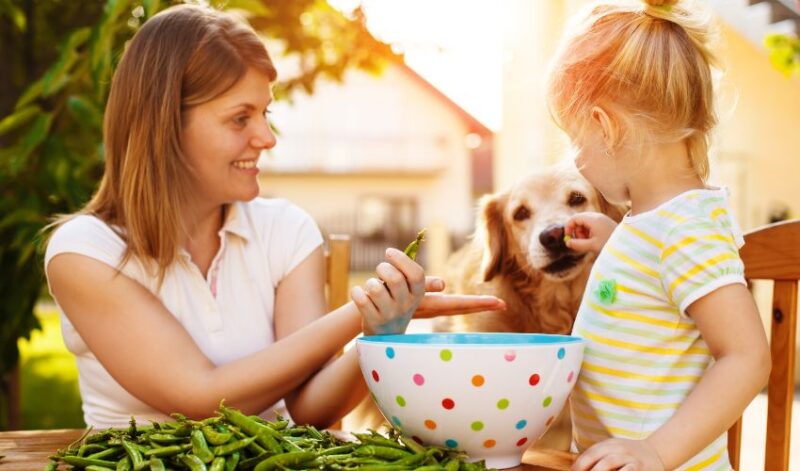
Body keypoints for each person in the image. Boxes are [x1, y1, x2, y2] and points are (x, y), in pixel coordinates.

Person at [44, 4, 504, 429]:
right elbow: (200, 397)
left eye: (265, 112)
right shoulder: (84, 251)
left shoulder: (285, 231)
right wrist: (353, 314)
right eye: (239, 118)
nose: (266, 137)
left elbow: (308, 409)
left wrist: (379, 335)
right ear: (165, 125)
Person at [545, 0, 772, 469]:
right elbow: (657, 284)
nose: (576, 159)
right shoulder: (655, 225)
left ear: (606, 128)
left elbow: (747, 357)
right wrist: (613, 242)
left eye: (575, 139)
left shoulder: (685, 230)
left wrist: (657, 451)